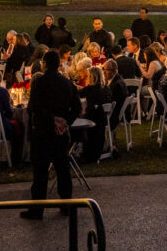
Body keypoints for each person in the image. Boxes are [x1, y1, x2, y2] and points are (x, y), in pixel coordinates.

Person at [21, 50, 82, 220]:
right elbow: (77, 108)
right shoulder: (67, 83)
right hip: (60, 133)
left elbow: (34, 106)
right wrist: (64, 121)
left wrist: (53, 120)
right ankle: (66, 205)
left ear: (45, 64)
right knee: (63, 169)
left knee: (40, 172)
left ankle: (37, 209)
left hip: (42, 132)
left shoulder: (39, 82)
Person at [78, 66, 112, 162]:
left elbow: (78, 94)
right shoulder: (106, 88)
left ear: (92, 77)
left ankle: (78, 148)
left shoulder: (90, 89)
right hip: (103, 119)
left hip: (92, 119)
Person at [102, 60, 128, 130]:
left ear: (114, 71)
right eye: (103, 69)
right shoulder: (117, 79)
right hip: (116, 114)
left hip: (112, 117)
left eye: (106, 70)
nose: (104, 72)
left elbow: (108, 101)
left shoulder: (116, 85)